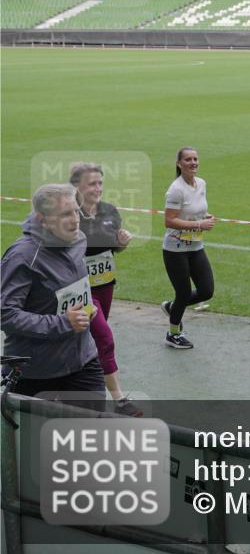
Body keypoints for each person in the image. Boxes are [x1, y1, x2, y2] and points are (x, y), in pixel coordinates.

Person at [1, 184, 104, 399]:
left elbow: (73, 288)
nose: (76, 219)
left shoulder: (79, 240)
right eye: (65, 214)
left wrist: (86, 307)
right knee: (37, 433)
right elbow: (6, 314)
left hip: (83, 360)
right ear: (42, 220)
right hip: (36, 371)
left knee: (93, 428)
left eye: (76, 211)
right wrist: (65, 323)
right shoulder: (23, 256)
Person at [70, 162, 141, 417]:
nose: (97, 188)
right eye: (92, 183)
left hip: (106, 288)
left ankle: (78, 378)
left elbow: (112, 250)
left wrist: (121, 244)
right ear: (77, 185)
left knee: (90, 338)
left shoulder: (110, 211)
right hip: (82, 291)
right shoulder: (70, 216)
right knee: (105, 337)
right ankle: (120, 400)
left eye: (100, 183)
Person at [161, 147, 215, 350]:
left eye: (195, 159)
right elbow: (169, 220)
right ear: (179, 164)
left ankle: (172, 308)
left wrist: (205, 217)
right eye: (188, 159)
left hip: (195, 246)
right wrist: (199, 225)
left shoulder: (201, 183)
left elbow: (195, 209)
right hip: (175, 250)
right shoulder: (176, 189)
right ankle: (173, 333)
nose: (193, 162)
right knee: (183, 293)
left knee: (206, 290)